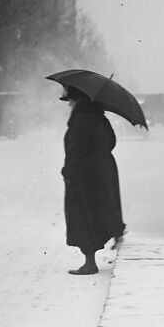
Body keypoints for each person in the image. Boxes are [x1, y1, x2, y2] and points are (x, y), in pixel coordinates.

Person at [60, 85, 126, 275]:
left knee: (83, 216)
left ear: (79, 100)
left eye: (70, 100)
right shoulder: (100, 118)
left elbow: (75, 149)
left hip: (84, 174)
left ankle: (90, 263)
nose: (69, 104)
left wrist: (68, 171)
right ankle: (115, 231)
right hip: (103, 170)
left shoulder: (80, 120)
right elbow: (111, 141)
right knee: (102, 209)